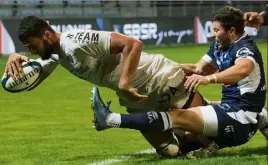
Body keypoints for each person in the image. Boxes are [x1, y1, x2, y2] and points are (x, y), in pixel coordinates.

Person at [4, 15, 213, 158]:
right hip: (137, 97)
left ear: (47, 36)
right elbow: (31, 82)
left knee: (207, 135)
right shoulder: (57, 55)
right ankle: (180, 126)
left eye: (32, 45)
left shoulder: (75, 40)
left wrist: (123, 83)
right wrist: (17, 58)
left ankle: (232, 110)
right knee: (171, 150)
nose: (30, 50)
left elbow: (132, 44)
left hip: (158, 77)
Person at [91, 6, 267, 157]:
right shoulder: (220, 46)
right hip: (233, 110)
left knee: (176, 117)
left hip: (240, 118)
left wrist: (209, 79)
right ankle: (212, 142)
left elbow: (244, 68)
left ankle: (110, 119)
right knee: (183, 137)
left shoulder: (245, 48)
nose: (213, 35)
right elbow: (198, 69)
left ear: (232, 32)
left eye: (216, 30)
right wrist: (156, 66)